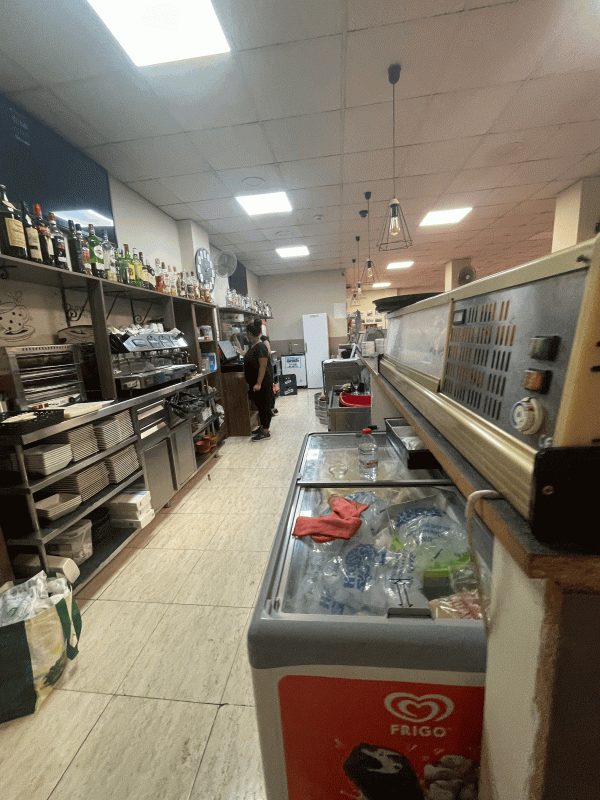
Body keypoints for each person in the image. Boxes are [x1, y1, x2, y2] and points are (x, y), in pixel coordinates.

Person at [243, 320, 274, 441]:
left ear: (250, 334)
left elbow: (263, 366)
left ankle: (265, 432)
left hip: (262, 382)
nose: (246, 336)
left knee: (264, 406)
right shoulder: (255, 346)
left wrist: (258, 383)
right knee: (260, 406)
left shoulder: (261, 346)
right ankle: (262, 427)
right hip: (256, 382)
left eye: (247, 333)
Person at [260, 333, 278, 416]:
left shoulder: (264, 339)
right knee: (268, 388)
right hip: (265, 366)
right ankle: (271, 408)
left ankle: (270, 409)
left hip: (266, 366)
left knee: (268, 388)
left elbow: (268, 351)